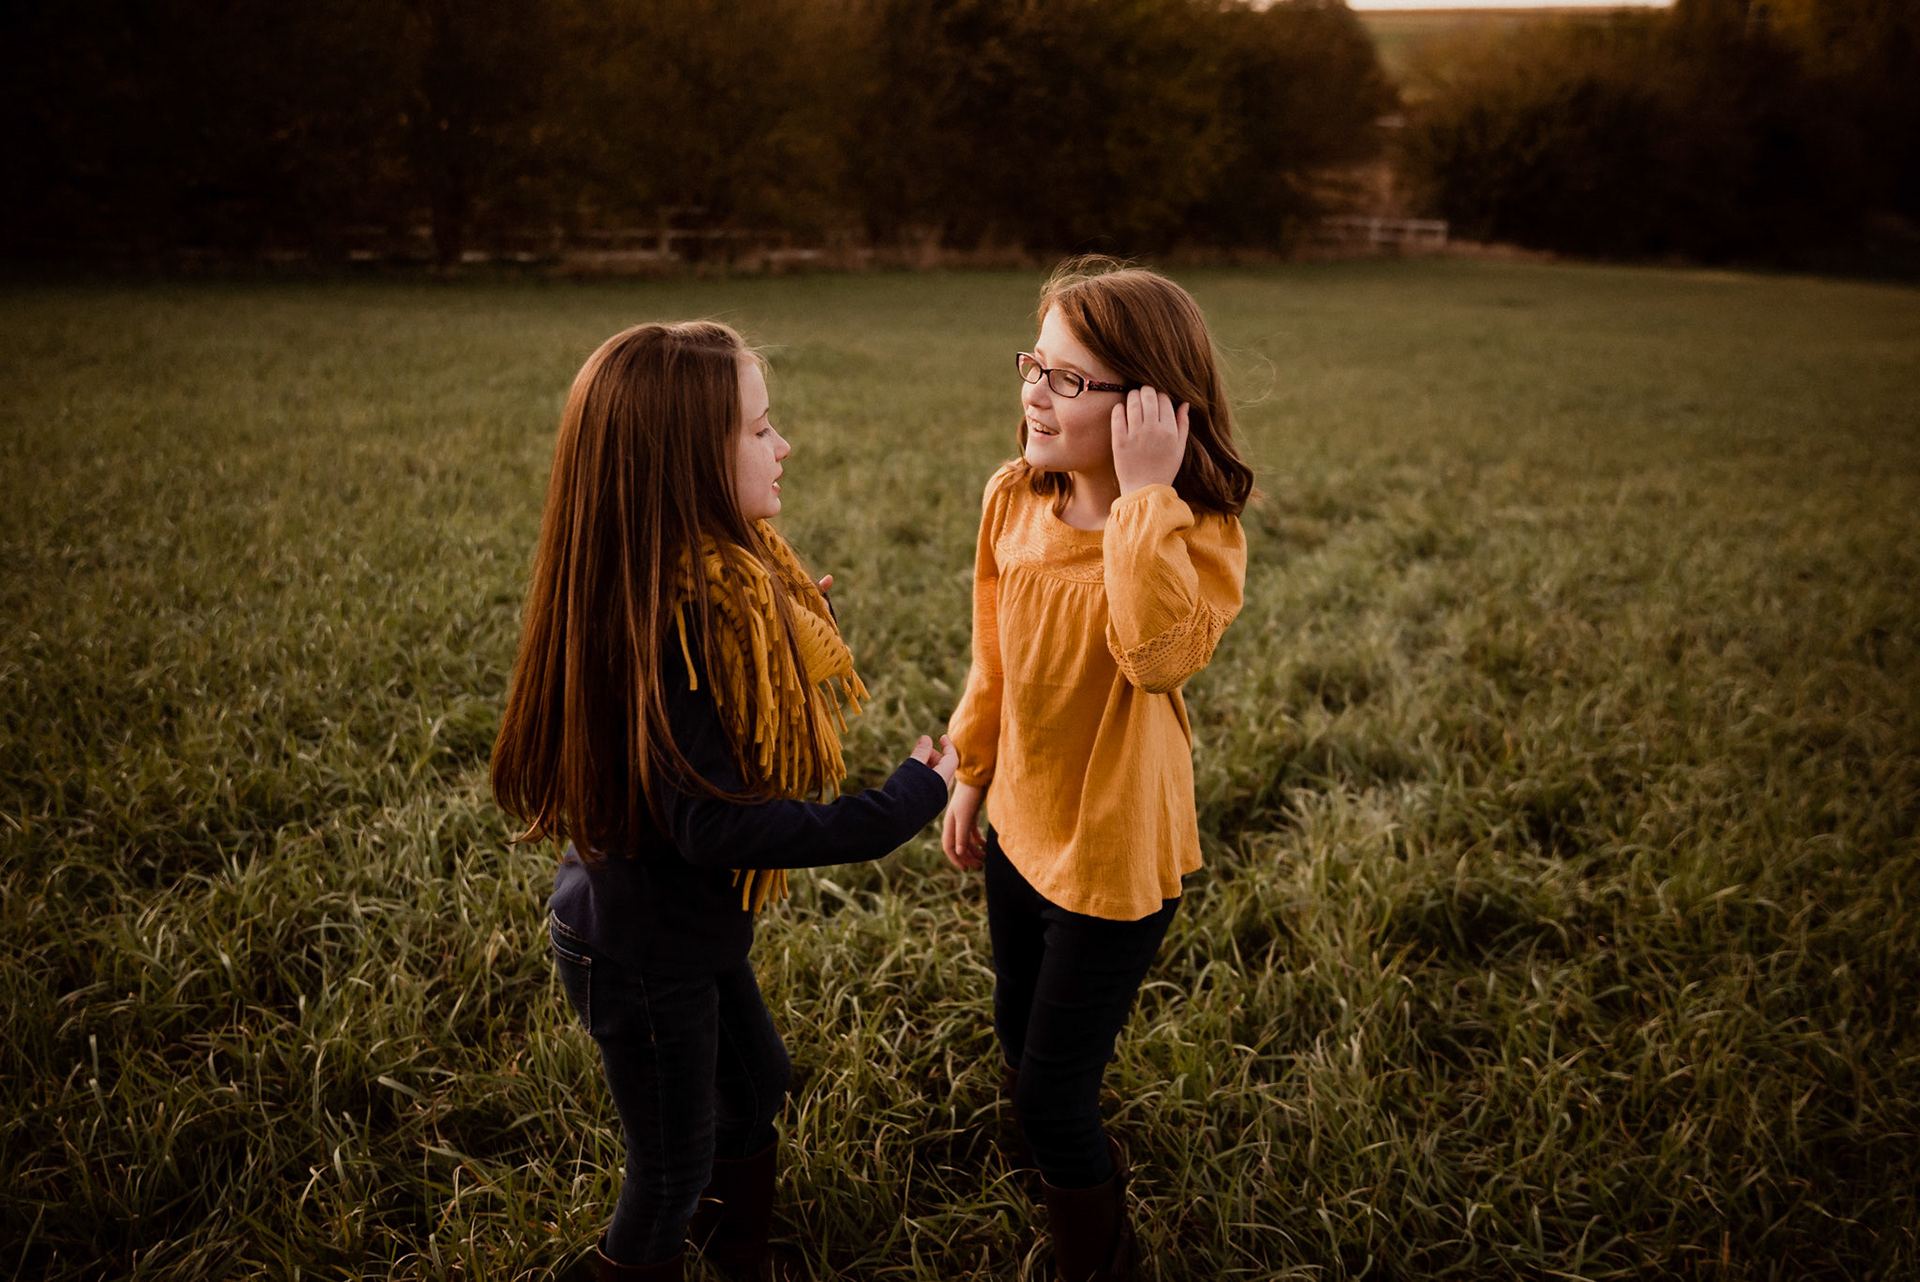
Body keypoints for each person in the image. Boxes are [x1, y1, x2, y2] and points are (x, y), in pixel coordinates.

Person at [492, 321, 957, 1282]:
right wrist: (899, 805)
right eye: (759, 428)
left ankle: (742, 1254)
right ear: (687, 461)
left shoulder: (689, 588)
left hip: (672, 926)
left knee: (756, 1083)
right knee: (668, 1174)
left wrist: (777, 635)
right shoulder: (677, 621)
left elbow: (725, 715)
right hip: (641, 951)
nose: (784, 445)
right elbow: (713, 824)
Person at [942, 259, 1252, 1282]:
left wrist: (1146, 498)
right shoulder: (1013, 499)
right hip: (1021, 824)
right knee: (1015, 1022)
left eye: (1069, 378)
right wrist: (972, 771)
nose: (1035, 391)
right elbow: (992, 657)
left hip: (1114, 852)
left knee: (1054, 1092)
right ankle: (1043, 1164)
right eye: (1034, 364)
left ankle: (1101, 1257)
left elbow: (1156, 655)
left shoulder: (1197, 534)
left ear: (1152, 407)